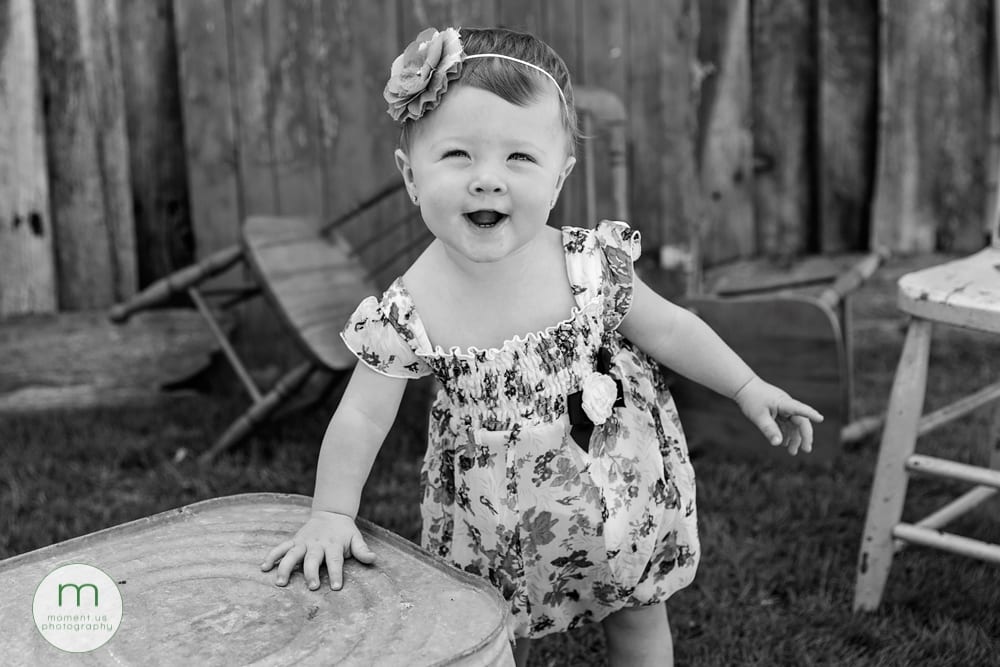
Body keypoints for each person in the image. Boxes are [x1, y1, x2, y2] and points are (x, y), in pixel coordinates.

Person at [261, 26, 823, 666]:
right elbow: (362, 414)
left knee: (638, 620)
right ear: (411, 176)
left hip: (620, 491)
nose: (487, 180)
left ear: (560, 178)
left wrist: (747, 386)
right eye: (457, 156)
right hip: (496, 523)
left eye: (519, 159)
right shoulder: (409, 309)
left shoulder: (589, 266)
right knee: (493, 633)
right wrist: (333, 512)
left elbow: (670, 328)